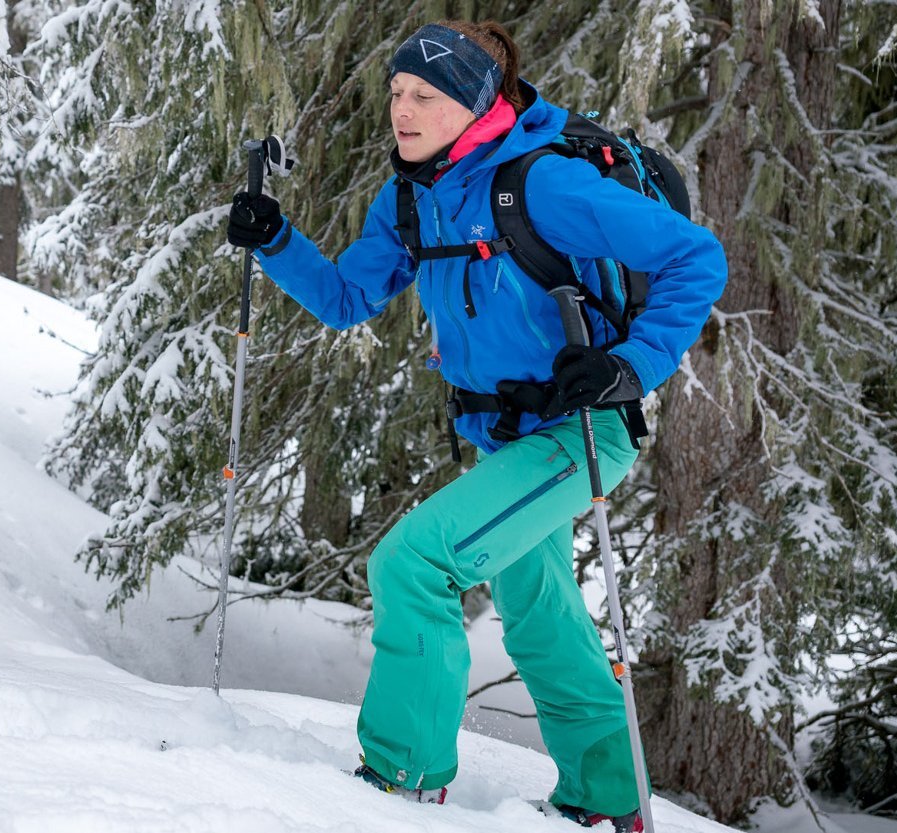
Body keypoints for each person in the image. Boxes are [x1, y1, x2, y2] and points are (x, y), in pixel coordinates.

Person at [224, 19, 725, 833]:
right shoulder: (410, 197)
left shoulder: (542, 184)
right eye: (396, 91)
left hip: (580, 432)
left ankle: (401, 781)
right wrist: (276, 240)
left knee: (414, 563)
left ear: (475, 102)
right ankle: (608, 801)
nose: (403, 110)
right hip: (509, 440)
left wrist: (632, 363)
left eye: (426, 94)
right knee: (539, 614)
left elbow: (696, 257)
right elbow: (348, 298)